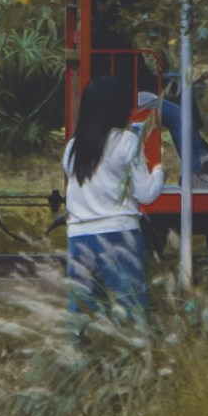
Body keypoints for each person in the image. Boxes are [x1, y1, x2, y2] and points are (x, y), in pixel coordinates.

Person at [61, 59, 164, 313]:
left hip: (79, 236)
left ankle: (81, 352)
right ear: (120, 108)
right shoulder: (127, 141)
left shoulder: (72, 147)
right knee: (130, 310)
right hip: (120, 234)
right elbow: (147, 194)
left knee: (82, 311)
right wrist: (159, 170)